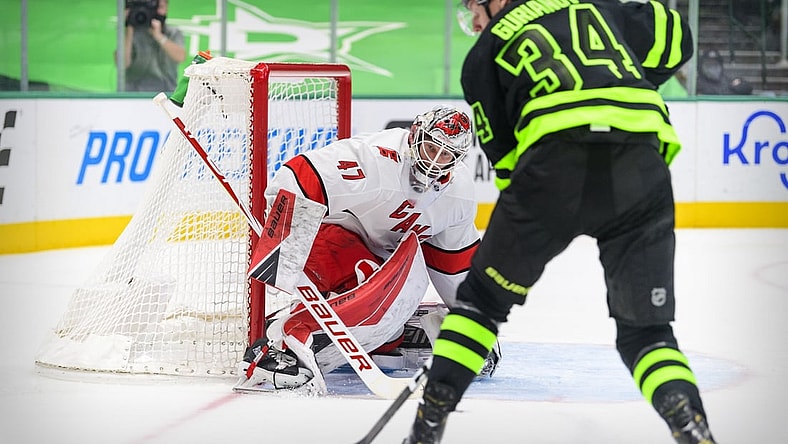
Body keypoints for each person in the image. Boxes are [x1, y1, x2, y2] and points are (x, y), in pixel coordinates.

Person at [405, 1, 717, 444]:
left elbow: (509, 166)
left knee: (478, 308)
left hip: (553, 168)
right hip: (640, 163)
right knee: (646, 334)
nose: (473, 20)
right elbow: (677, 35)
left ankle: (425, 429)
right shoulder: (597, 6)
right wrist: (626, 82)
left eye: (474, 6)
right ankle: (691, 424)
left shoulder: (483, 55)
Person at [235, 106, 501, 393]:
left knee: (388, 313)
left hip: (379, 264)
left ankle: (397, 332)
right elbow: (298, 177)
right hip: (330, 239)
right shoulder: (375, 160)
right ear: (415, 136)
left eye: (446, 154)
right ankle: (278, 346)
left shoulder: (457, 195)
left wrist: (473, 321)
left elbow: (454, 265)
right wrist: (284, 249)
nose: (435, 161)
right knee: (368, 278)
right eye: (431, 147)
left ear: (458, 159)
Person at [122, 0, 186, 92]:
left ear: (166, 8)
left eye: (160, 7)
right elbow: (123, 63)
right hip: (134, 93)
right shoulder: (131, 34)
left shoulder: (173, 32)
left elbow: (180, 57)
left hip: (166, 92)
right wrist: (129, 28)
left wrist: (160, 37)